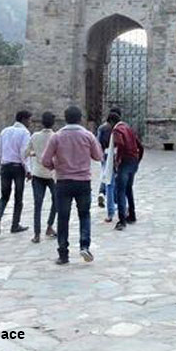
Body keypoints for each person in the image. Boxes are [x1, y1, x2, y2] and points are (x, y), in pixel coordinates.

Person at [41, 105, 102, 265]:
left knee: (63, 217)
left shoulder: (57, 137)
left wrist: (55, 165)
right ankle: (84, 245)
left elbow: (45, 160)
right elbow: (98, 156)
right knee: (84, 214)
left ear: (65, 118)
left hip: (63, 182)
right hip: (83, 182)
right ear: (80, 118)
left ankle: (63, 253)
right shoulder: (87, 136)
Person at [0, 110, 32, 235]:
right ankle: (15, 224)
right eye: (29, 120)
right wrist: (28, 170)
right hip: (17, 168)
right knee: (18, 197)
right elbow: (23, 153)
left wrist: (1, 164)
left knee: (4, 196)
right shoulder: (25, 132)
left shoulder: (5, 131)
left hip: (5, 166)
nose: (30, 122)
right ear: (24, 119)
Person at [24, 111, 58, 243]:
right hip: (52, 174)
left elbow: (25, 153)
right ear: (53, 123)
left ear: (42, 122)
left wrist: (36, 154)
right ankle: (49, 225)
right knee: (56, 201)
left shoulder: (35, 136)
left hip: (37, 173)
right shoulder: (56, 136)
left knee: (38, 204)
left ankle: (36, 234)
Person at [110, 110, 143, 230]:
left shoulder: (117, 130)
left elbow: (121, 144)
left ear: (111, 122)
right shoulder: (128, 128)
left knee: (120, 191)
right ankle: (132, 215)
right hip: (133, 161)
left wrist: (117, 161)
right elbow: (140, 146)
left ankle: (122, 220)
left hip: (124, 162)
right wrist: (137, 161)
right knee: (129, 189)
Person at [95, 117, 113, 208]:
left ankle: (101, 192)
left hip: (104, 153)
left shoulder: (101, 128)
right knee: (111, 176)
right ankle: (109, 195)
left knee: (105, 174)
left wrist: (100, 155)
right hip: (114, 153)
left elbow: (97, 142)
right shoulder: (115, 127)